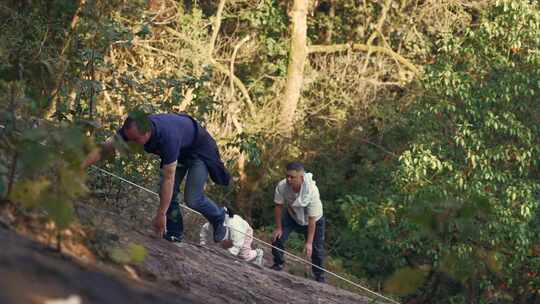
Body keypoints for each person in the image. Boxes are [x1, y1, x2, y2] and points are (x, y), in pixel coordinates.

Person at [82, 112, 229, 244]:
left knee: (193, 199)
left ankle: (219, 216)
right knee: (165, 192)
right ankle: (174, 233)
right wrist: (79, 166)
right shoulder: (133, 130)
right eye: (129, 138)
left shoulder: (167, 137)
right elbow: (105, 148)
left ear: (147, 132)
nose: (131, 142)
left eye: (135, 139)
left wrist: (161, 214)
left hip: (199, 150)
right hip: (181, 148)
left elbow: (168, 178)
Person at [270, 162, 326, 283]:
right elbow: (278, 206)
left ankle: (319, 276)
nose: (289, 179)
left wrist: (309, 242)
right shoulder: (282, 186)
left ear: (301, 177)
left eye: (292, 177)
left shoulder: (312, 191)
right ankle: (278, 264)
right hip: (292, 216)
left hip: (314, 221)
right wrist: (279, 227)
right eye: (287, 176)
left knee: (316, 250)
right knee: (277, 237)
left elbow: (312, 219)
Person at [199, 207, 264, 266]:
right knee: (222, 248)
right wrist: (203, 242)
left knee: (244, 256)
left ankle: (258, 252)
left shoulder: (236, 231)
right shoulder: (213, 224)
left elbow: (237, 246)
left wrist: (230, 257)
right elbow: (204, 230)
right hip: (230, 235)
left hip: (245, 231)